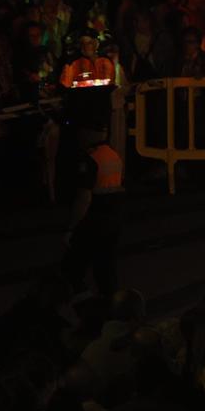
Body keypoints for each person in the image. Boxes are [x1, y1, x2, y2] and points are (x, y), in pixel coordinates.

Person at [63, 125, 125, 297]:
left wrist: (72, 228)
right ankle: (112, 308)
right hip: (114, 216)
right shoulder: (113, 154)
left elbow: (84, 197)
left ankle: (83, 307)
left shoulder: (90, 159)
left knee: (72, 270)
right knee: (106, 270)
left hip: (94, 218)